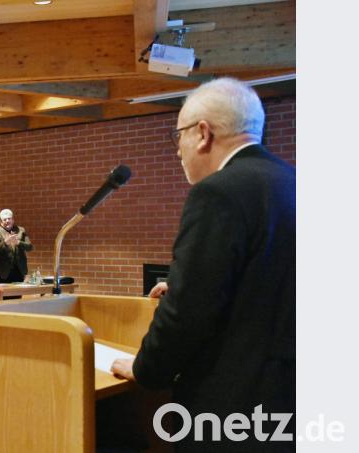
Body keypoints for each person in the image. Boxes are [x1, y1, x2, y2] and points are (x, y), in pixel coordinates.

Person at [111, 78, 295, 450]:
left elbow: (187, 312)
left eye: (177, 136)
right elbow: (270, 282)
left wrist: (145, 370)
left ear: (202, 134)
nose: (178, 150)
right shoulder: (292, 182)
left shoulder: (217, 193)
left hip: (232, 410)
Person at [0, 209, 32, 283]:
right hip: (2, 272)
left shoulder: (21, 230)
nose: (7, 221)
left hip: (19, 271)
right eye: (4, 219)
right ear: (0, 221)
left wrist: (18, 242)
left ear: (13, 220)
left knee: (17, 293)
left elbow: (29, 247)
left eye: (9, 219)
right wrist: (5, 242)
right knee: (3, 294)